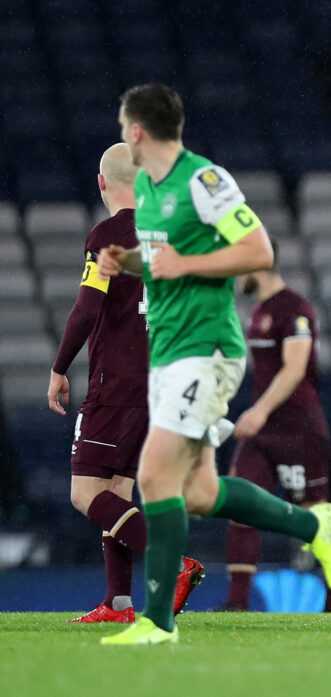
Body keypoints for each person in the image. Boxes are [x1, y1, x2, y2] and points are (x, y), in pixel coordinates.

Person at [97, 83, 331, 645]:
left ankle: (156, 622)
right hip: (169, 352)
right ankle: (314, 525)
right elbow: (160, 259)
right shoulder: (151, 189)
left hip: (205, 349)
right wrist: (126, 261)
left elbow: (258, 251)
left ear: (138, 130)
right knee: (200, 494)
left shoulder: (203, 181)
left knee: (153, 475)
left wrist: (185, 264)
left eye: (124, 125)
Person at [47, 143, 203, 623]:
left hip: (116, 382)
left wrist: (59, 367)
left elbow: (87, 308)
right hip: (159, 382)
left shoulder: (108, 235)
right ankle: (118, 603)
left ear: (101, 183)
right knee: (116, 491)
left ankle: (174, 562)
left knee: (84, 494)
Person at [218, 242, 331, 612]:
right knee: (240, 502)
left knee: (314, 513)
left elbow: (295, 368)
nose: (235, 275)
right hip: (264, 432)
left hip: (298, 429)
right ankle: (237, 603)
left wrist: (258, 411)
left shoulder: (295, 309)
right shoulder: (259, 310)